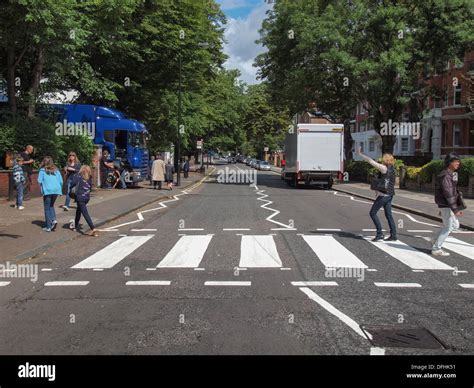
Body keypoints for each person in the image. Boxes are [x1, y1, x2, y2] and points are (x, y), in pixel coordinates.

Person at [356, 147, 397, 241]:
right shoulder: (393, 169)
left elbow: (371, 161)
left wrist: (360, 154)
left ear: (385, 160)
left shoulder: (384, 168)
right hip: (390, 194)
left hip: (383, 195)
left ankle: (380, 233)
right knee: (388, 214)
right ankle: (393, 235)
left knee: (373, 213)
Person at [432, 153, 464, 256]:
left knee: (455, 225)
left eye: (459, 161)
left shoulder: (449, 174)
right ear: (450, 162)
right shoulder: (446, 175)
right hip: (447, 205)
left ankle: (436, 240)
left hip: (446, 205)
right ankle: (436, 248)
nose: (458, 163)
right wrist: (455, 209)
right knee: (448, 227)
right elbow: (448, 193)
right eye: (456, 161)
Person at [69, 165, 98, 237]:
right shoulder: (90, 178)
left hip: (80, 197)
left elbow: (72, 184)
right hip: (86, 198)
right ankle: (75, 226)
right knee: (78, 211)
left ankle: (93, 228)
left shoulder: (78, 177)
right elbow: (90, 188)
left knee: (85, 213)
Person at [37, 156, 63, 232]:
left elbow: (39, 181)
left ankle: (48, 226)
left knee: (47, 208)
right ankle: (54, 220)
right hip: (56, 190)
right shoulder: (56, 171)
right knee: (51, 205)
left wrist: (42, 188)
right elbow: (61, 181)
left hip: (48, 191)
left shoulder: (42, 170)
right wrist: (60, 191)